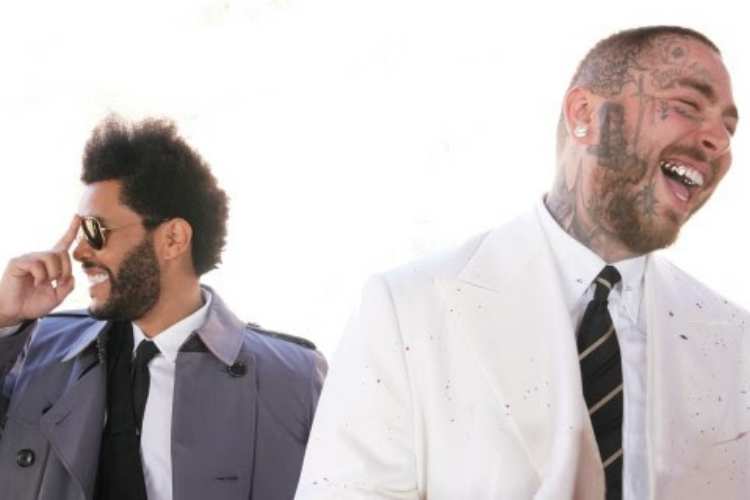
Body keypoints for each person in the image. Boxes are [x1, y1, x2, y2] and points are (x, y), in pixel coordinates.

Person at [295, 26, 748, 500]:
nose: (719, 140)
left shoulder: (737, 342)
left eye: (730, 128)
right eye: (687, 105)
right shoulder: (407, 309)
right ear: (584, 114)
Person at [0, 117, 326, 500]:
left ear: (173, 238)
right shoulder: (34, 349)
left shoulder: (292, 379)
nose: (79, 251)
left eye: (95, 231)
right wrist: (4, 319)